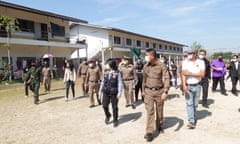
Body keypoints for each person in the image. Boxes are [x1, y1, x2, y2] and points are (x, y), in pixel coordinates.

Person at [142, 48, 170, 142]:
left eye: (147, 55)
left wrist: (165, 92)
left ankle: (159, 125)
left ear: (152, 56)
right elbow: (144, 79)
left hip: (159, 92)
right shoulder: (146, 66)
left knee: (159, 111)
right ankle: (149, 131)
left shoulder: (161, 65)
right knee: (150, 111)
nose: (145, 57)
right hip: (148, 92)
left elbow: (166, 78)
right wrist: (143, 91)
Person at [182, 49, 205, 129]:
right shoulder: (185, 62)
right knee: (189, 104)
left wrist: (190, 73)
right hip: (188, 86)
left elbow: (202, 74)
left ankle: (194, 118)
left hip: (197, 86)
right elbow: (184, 74)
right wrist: (184, 85)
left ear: (195, 54)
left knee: (195, 105)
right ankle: (191, 121)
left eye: (190, 53)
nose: (188, 54)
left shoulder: (201, 62)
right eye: (188, 53)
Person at [99, 60, 123, 127]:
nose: (106, 65)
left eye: (107, 64)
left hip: (114, 92)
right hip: (106, 92)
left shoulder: (117, 73)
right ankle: (108, 115)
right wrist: (100, 91)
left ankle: (115, 120)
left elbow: (120, 83)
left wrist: (119, 92)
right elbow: (103, 82)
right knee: (104, 105)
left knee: (114, 107)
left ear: (111, 65)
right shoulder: (106, 72)